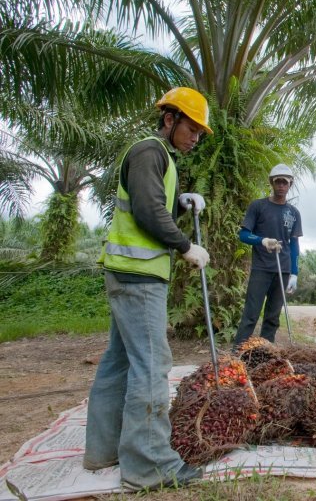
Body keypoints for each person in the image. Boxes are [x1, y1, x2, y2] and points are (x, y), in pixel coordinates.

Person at [84, 87, 212, 491]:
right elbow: (146, 210)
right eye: (191, 128)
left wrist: (180, 202)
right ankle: (149, 466)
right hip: (139, 278)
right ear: (170, 118)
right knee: (152, 366)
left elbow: (156, 201)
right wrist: (185, 245)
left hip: (128, 274)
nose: (195, 138)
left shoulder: (158, 157)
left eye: (200, 134)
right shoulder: (149, 151)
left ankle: (102, 450)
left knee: (119, 362)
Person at [233, 163, 303, 346]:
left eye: (285, 182)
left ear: (290, 185)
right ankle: (238, 354)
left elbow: (294, 244)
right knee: (251, 314)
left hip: (283, 269)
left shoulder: (294, 213)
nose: (281, 185)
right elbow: (243, 235)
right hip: (261, 268)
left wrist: (294, 273)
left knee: (272, 317)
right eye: (277, 181)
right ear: (271, 183)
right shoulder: (258, 206)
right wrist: (262, 240)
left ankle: (264, 355)